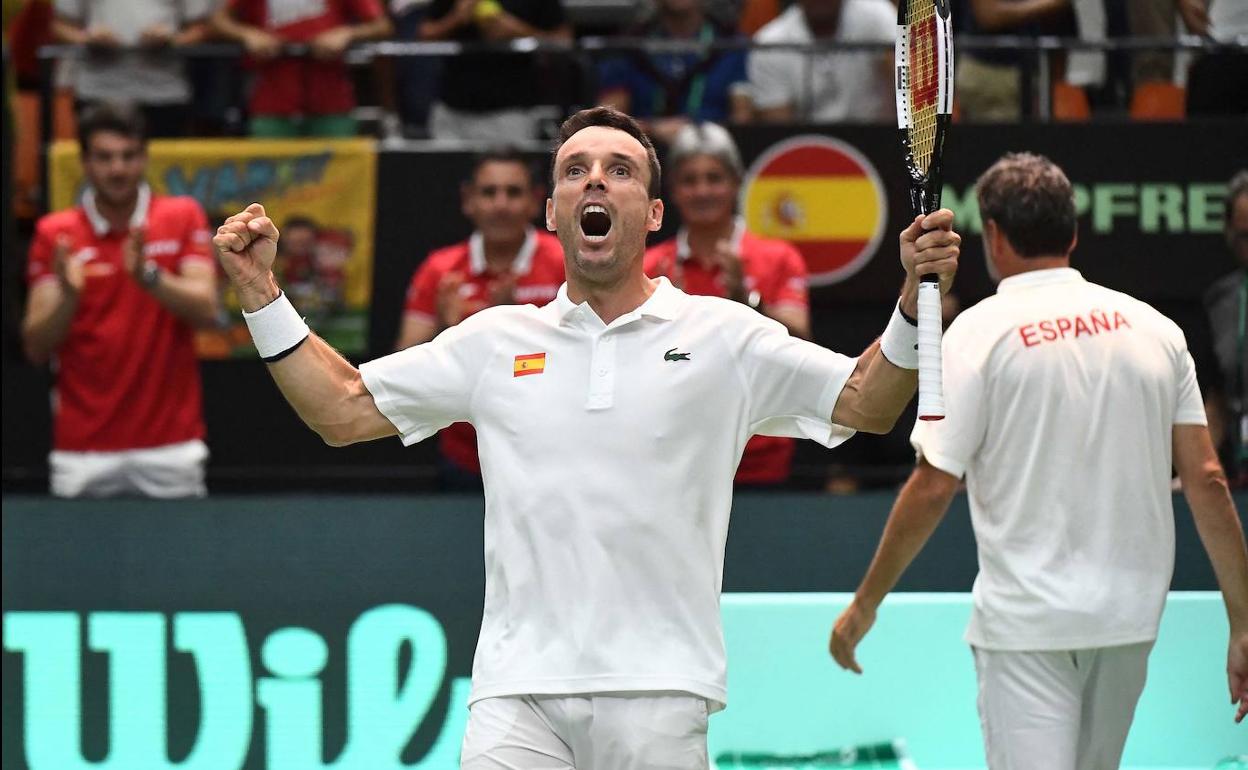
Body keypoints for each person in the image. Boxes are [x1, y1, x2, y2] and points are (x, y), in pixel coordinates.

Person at [212, 106, 960, 766]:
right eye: (576, 170)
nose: (595, 181)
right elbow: (341, 409)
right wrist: (260, 295)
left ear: (656, 212)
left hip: (662, 693)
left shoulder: (725, 336)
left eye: (619, 170)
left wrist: (908, 298)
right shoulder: (493, 341)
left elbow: (865, 402)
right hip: (516, 694)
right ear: (552, 210)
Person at [829, 153, 1248, 769]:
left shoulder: (976, 332)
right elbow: (1208, 481)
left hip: (1026, 627)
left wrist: (864, 604)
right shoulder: (1157, 330)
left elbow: (932, 486)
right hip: (1129, 620)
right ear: (1073, 233)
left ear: (992, 236)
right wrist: (1242, 624)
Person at [21, 102, 220, 497]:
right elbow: (35, 347)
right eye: (105, 157)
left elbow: (209, 311)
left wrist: (149, 277)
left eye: (128, 156)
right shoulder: (54, 233)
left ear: (144, 158)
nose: (117, 169)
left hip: (171, 446)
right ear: (85, 162)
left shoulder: (182, 216)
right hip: (82, 451)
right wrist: (69, 296)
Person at [645, 121, 809, 486]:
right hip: (675, 449)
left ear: (736, 183)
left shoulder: (777, 256)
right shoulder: (650, 265)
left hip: (761, 450)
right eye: (690, 180)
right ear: (672, 191)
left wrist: (746, 299)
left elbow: (801, 340)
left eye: (714, 178)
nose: (702, 190)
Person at [396, 147, 565, 489]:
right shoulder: (440, 270)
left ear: (536, 202)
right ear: (468, 200)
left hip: (551, 454)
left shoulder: (566, 263)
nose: (501, 204)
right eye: (489, 193)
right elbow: (403, 367)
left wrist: (512, 322)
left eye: (513, 192)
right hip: (464, 459)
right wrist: (448, 331)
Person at [211, 0, 393, 138]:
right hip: (271, 100)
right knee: (268, 183)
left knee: (336, 181)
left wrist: (347, 33)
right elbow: (217, 20)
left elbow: (383, 26)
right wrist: (248, 34)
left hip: (331, 100)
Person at [596, 0, 750, 145]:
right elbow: (609, 123)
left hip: (713, 149)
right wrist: (652, 129)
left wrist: (695, 132)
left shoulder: (732, 45)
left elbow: (743, 121)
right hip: (642, 149)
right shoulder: (627, 46)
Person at [51, 0, 213, 137]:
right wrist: (87, 39)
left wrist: (173, 40)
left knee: (163, 169)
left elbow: (202, 28)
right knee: (101, 166)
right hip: (99, 90)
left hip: (165, 92)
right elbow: (59, 25)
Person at [420, 0, 571, 141]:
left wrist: (518, 32)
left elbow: (563, 41)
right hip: (452, 111)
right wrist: (456, 18)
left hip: (511, 113)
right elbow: (425, 35)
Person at [742, 0, 894, 124]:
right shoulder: (770, 43)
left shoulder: (876, 14)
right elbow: (779, 129)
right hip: (807, 148)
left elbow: (908, 77)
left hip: (876, 136)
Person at [1203, 170, 1248, 484]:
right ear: (1230, 233)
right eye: (1246, 236)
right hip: (1238, 475)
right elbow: (1216, 400)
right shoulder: (1220, 300)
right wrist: (1199, 468)